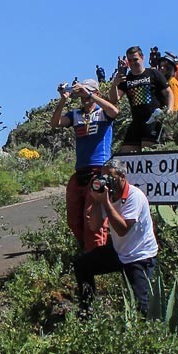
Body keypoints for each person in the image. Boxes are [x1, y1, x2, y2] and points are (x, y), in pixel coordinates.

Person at [73, 164, 159, 315]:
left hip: (139, 255)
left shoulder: (135, 196)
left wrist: (105, 202)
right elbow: (94, 226)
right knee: (82, 265)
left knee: (142, 306)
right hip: (120, 251)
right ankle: (89, 309)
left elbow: (122, 229)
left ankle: (147, 332)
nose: (108, 181)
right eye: (104, 177)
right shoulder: (108, 195)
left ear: (122, 177)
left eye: (111, 177)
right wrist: (96, 200)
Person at [52, 78, 120, 251]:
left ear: (96, 93)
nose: (84, 97)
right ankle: (86, 252)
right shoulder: (75, 115)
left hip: (99, 170)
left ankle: (95, 255)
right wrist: (63, 99)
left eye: (87, 93)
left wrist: (89, 94)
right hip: (80, 171)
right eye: (81, 94)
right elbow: (55, 123)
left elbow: (114, 111)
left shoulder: (102, 112)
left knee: (93, 218)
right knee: (74, 218)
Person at [109, 46, 171, 153]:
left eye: (135, 59)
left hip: (153, 119)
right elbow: (114, 99)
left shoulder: (153, 73)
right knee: (124, 154)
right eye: (130, 60)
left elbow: (168, 93)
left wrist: (169, 111)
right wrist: (114, 84)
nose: (133, 63)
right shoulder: (126, 79)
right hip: (136, 121)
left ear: (142, 57)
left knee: (147, 151)